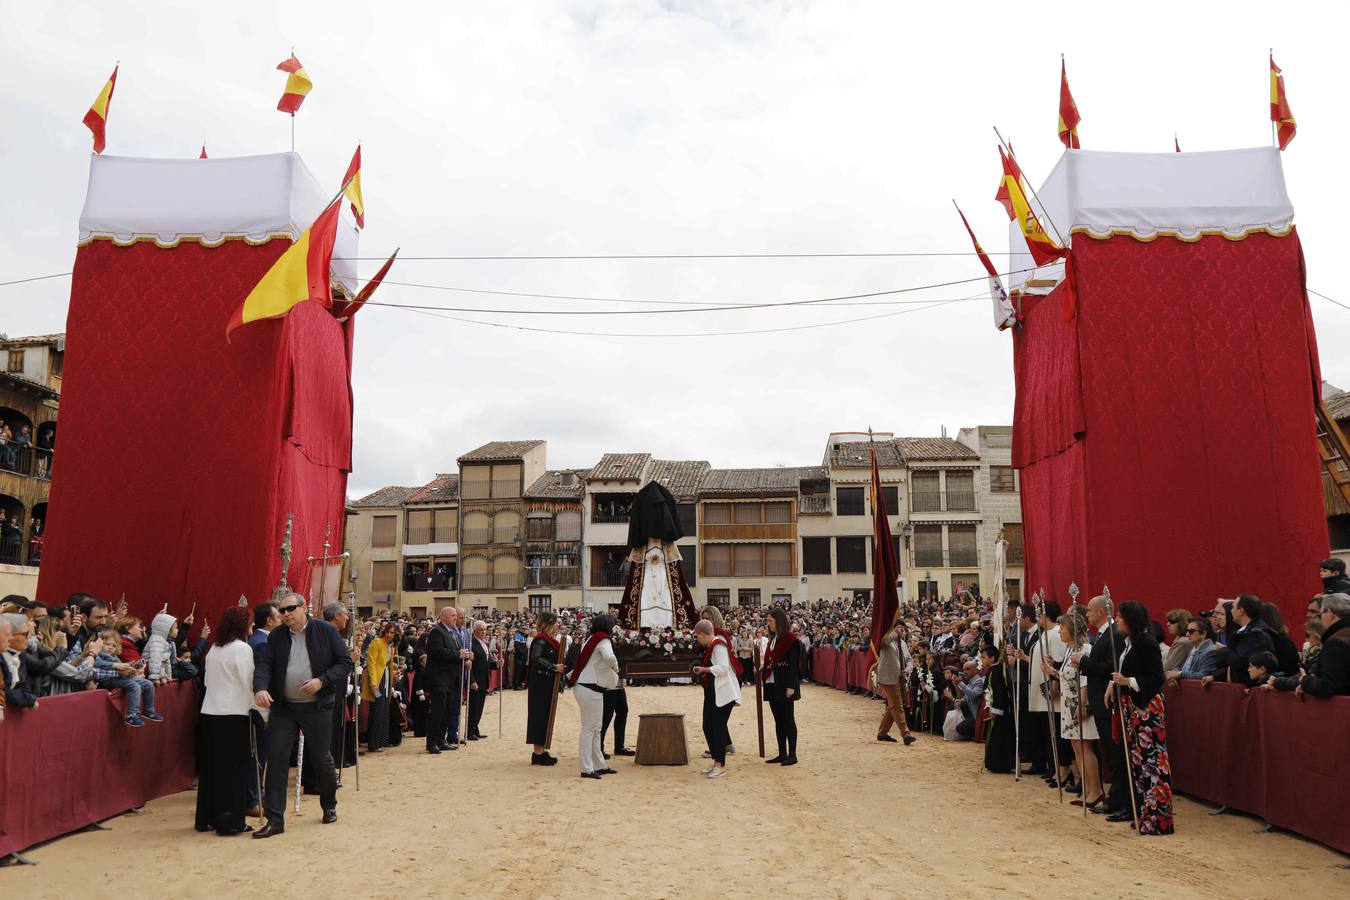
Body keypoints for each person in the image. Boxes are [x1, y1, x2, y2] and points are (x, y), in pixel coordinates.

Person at [251, 593, 353, 837]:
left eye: (290, 609)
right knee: (276, 758)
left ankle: (329, 805)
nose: (285, 614)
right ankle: (275, 820)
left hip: (316, 707)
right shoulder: (276, 636)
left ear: (303, 608)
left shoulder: (325, 632)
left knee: (321, 758)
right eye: (282, 611)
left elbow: (344, 663)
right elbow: (264, 664)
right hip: (284, 708)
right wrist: (261, 687)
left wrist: (321, 680)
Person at [1107, 600, 1173, 834]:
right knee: (1138, 763)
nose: (1117, 620)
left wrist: (1129, 682)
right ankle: (1144, 812)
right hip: (1132, 708)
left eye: (1121, 616)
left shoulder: (1147, 643)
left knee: (1151, 763)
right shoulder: (1130, 643)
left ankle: (1156, 818)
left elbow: (1156, 678)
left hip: (1147, 709)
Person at [196, 607, 256, 836]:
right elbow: (247, 681)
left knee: (212, 768)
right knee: (234, 770)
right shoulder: (242, 649)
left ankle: (207, 817)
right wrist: (260, 708)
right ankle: (231, 821)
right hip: (233, 713)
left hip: (211, 711)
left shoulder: (214, 648)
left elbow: (209, 680)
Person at [1073, 594, 1127, 816]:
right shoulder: (1103, 634)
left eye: (1089, 611)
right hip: (1099, 702)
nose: (1086, 615)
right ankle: (1115, 796)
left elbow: (1110, 668)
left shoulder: (1113, 636)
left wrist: (1083, 662)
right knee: (1109, 752)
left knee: (1115, 753)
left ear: (1100, 612)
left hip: (1108, 701)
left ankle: (1120, 798)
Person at [1050, 608, 1101, 810]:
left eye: (1062, 627)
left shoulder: (1085, 650)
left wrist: (1083, 705)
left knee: (1085, 747)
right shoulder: (1070, 650)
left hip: (1079, 704)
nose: (1059, 630)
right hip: (1068, 704)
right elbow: (1068, 677)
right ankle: (1087, 789)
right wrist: (1053, 672)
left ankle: (1095, 790)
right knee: (1076, 747)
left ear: (1071, 628)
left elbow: (1086, 681)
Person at [568, 613, 620, 779]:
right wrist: (616, 668)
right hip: (590, 688)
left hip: (586, 687)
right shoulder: (603, 639)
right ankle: (587, 768)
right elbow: (609, 656)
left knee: (595, 728)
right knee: (590, 729)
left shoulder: (592, 639)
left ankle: (598, 764)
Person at [1269, 593, 1350, 697]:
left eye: (1321, 614)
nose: (1321, 619)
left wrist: (1305, 681)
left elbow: (1329, 687)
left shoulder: (1336, 642)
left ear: (1330, 614)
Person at [691, 619, 740, 778]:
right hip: (714, 691)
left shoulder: (718, 645)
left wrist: (704, 669)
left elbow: (723, 668)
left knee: (717, 728)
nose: (697, 640)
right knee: (708, 726)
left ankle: (719, 765)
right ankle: (715, 762)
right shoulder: (712, 645)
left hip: (724, 693)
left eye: (697, 636)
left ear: (703, 634)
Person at [424, 607, 470, 754]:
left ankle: (441, 739)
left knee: (447, 712)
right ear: (443, 617)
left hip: (451, 679)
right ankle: (432, 742)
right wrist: (458, 654)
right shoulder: (437, 631)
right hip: (439, 679)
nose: (455, 618)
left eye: (456, 615)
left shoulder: (453, 633)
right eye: (452, 615)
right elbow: (437, 651)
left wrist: (465, 655)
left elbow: (456, 652)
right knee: (438, 712)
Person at [761, 607, 803, 765]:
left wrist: (791, 686)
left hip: (785, 684)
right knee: (778, 720)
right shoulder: (773, 640)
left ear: (778, 621)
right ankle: (782, 752)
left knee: (788, 720)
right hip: (773, 684)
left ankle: (792, 754)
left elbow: (793, 665)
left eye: (770, 621)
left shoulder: (790, 640)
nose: (768, 624)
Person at [526, 611, 565, 765]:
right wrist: (554, 667)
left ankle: (542, 750)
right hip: (540, 682)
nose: (558, 625)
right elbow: (535, 659)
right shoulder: (540, 641)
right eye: (555, 623)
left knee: (546, 716)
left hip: (547, 682)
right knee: (539, 716)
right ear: (548, 623)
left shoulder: (551, 641)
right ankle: (537, 753)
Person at [874, 621, 916, 746]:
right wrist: (893, 633)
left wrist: (907, 670)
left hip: (899, 678)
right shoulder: (887, 640)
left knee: (893, 705)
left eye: (903, 629)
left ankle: (882, 732)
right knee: (897, 704)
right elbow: (882, 643)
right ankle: (906, 734)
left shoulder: (903, 643)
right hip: (888, 677)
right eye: (898, 628)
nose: (901, 630)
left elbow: (909, 659)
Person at [362, 621, 396, 753]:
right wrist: (373, 684)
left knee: (384, 711)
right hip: (377, 679)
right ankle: (374, 743)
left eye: (392, 632)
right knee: (376, 711)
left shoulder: (391, 646)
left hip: (386, 679)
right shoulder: (377, 642)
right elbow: (371, 663)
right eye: (388, 631)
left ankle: (381, 741)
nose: (389, 634)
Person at [982, 642, 1014, 774]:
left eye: (984, 657)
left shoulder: (996, 672)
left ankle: (1001, 764)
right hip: (996, 706)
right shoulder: (993, 670)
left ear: (992, 658)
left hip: (1000, 710)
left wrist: (995, 709)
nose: (982, 660)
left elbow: (999, 692)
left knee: (1000, 736)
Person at [466, 619, 497, 740]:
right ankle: (470, 731)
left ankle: (475, 728)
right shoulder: (472, 644)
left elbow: (487, 663)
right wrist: (471, 680)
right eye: (481, 630)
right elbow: (470, 664)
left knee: (480, 707)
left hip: (483, 679)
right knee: (474, 707)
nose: (484, 632)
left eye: (485, 630)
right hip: (476, 680)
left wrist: (497, 664)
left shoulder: (484, 644)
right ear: (475, 631)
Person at [1168, 616, 1218, 683]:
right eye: (1187, 631)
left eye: (1191, 631)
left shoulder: (1210, 651)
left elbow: (1203, 675)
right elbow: (1183, 669)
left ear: (1203, 634)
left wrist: (1179, 674)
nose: (1187, 634)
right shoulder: (1194, 648)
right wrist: (1173, 675)